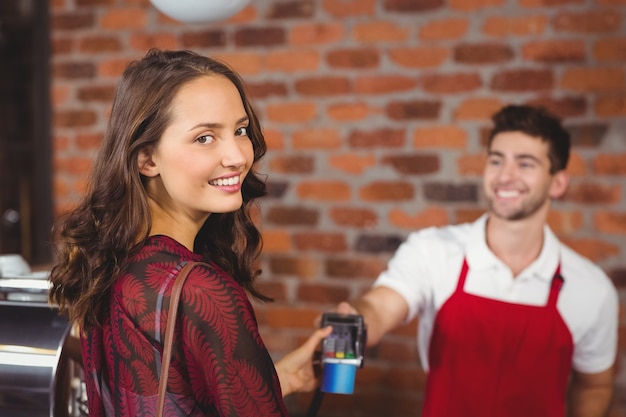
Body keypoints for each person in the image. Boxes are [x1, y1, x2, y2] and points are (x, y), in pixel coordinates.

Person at [48, 48, 332, 417]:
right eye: (204, 138)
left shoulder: (112, 267)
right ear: (146, 159)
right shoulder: (201, 290)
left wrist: (282, 377)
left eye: (240, 130)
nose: (237, 156)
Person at [336, 104, 618, 417]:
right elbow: (380, 306)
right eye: (496, 160)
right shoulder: (433, 250)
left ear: (558, 182)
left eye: (525, 164)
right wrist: (354, 320)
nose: (505, 176)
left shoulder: (591, 288)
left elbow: (595, 385)